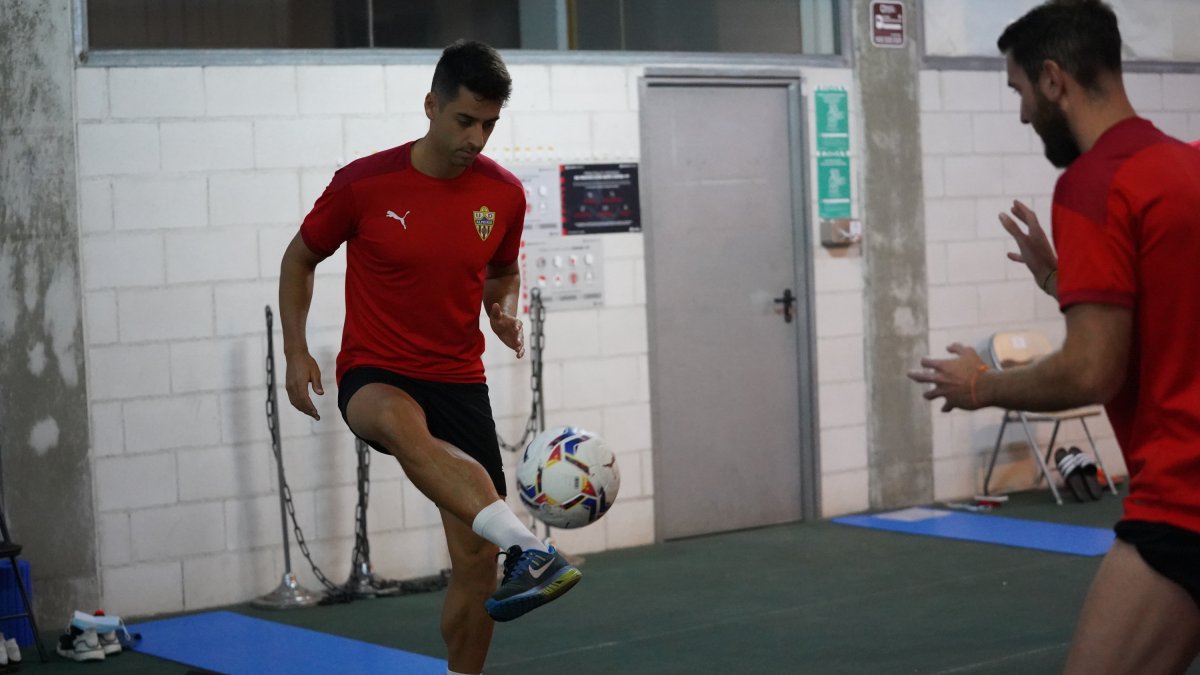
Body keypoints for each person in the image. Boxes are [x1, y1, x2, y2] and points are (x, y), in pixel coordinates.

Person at [908, 1, 1200, 673]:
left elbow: (1092, 370)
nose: (1020, 115)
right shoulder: (1183, 166)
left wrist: (982, 384)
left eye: (1018, 92)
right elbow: (1170, 301)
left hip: (1182, 501)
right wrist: (1059, 279)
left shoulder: (1093, 184)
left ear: (1052, 79)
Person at [278, 40, 580, 675]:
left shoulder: (503, 195)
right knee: (399, 425)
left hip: (459, 379)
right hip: (376, 372)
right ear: (431, 106)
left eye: (489, 124)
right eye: (465, 120)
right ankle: (532, 545)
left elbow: (502, 272)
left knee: (475, 565)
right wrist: (296, 349)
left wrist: (502, 309)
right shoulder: (364, 183)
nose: (477, 137)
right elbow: (299, 257)